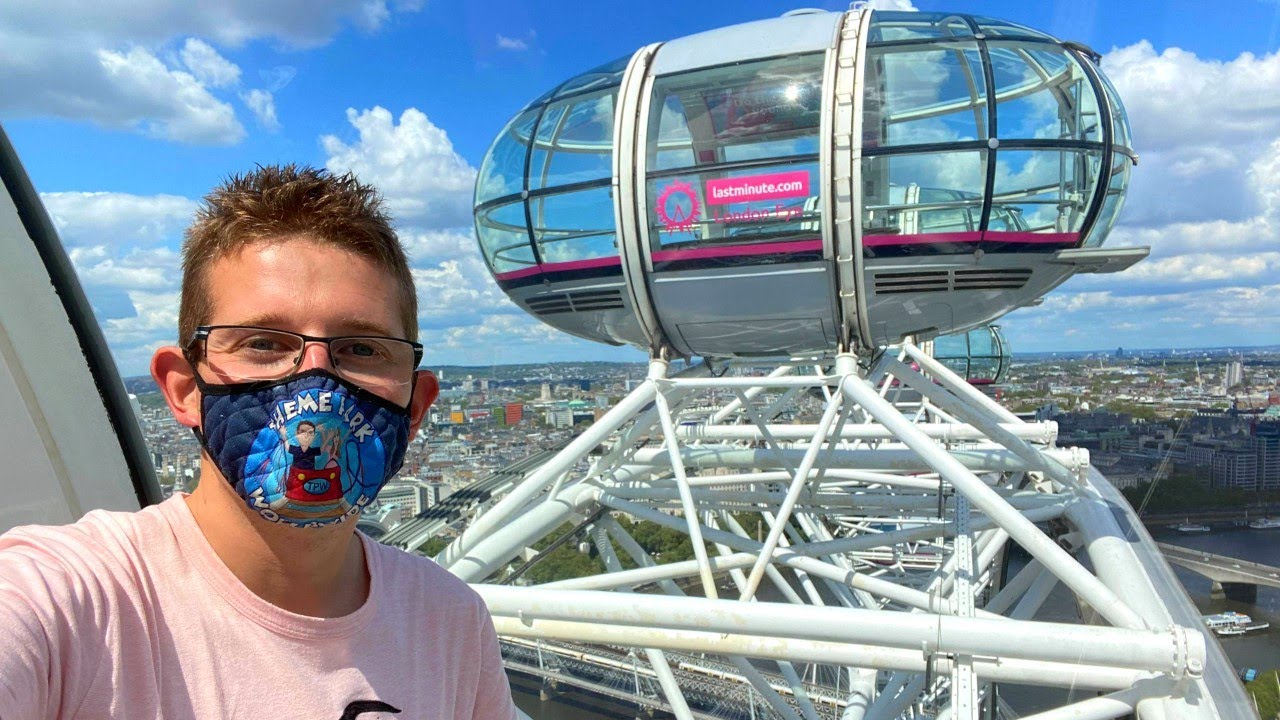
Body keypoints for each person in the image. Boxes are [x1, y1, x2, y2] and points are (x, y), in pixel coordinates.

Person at [0, 165, 521, 719]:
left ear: (415, 406)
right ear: (184, 389)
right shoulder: (71, 602)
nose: (317, 381)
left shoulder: (452, 621)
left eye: (362, 349)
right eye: (263, 343)